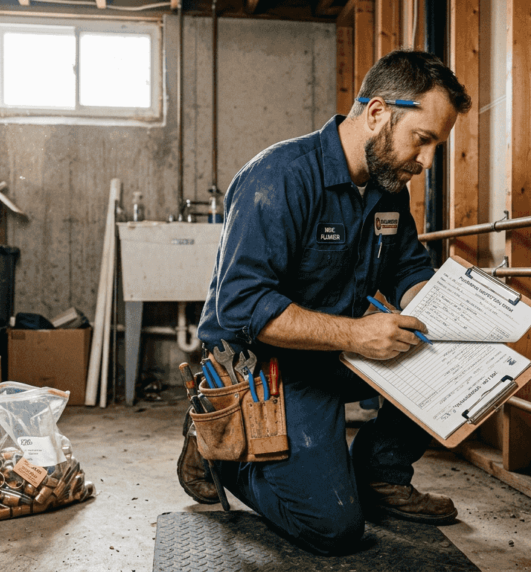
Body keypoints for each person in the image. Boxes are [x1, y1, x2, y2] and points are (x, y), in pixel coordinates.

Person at [178, 50, 472, 554]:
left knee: (453, 355)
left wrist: (432, 306)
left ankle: (379, 475)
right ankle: (221, 452)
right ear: (378, 113)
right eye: (422, 141)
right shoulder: (280, 177)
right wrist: (358, 334)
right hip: (265, 365)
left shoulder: (386, 187)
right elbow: (243, 307)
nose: (426, 162)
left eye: (434, 147)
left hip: (337, 350)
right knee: (332, 529)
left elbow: (407, 266)